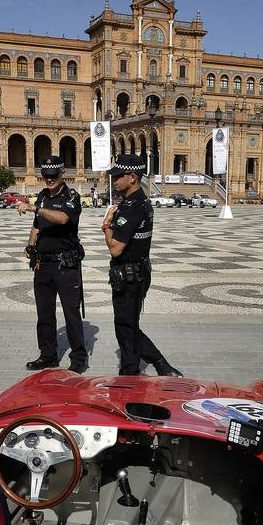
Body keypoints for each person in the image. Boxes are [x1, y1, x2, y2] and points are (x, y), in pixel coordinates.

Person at [102, 154, 182, 377]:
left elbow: (115, 248)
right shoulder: (137, 202)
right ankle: (133, 368)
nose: (114, 180)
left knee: (126, 325)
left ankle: (154, 366)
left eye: (118, 176)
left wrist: (107, 224)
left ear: (132, 177)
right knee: (126, 324)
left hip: (129, 276)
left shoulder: (132, 208)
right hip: (135, 273)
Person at [16, 156, 88, 373]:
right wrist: (30, 247)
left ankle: (78, 358)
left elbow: (63, 219)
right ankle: (47, 356)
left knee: (71, 313)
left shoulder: (72, 197)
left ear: (62, 173)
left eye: (53, 176)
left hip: (65, 265)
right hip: (43, 265)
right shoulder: (43, 196)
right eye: (45, 176)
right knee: (44, 313)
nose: (49, 180)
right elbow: (37, 226)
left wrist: (34, 208)